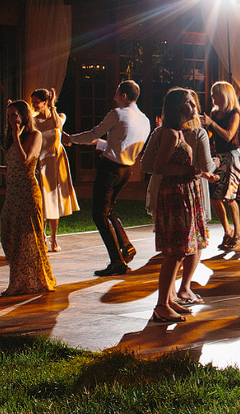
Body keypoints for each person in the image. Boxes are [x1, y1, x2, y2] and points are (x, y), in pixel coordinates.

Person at [63, 80, 151, 277]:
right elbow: (120, 142)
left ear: (124, 96)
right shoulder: (145, 120)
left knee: (99, 214)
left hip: (110, 169)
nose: (114, 97)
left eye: (116, 93)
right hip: (127, 169)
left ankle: (117, 262)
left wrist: (71, 139)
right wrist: (98, 144)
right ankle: (125, 245)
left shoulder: (117, 114)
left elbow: (94, 133)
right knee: (107, 209)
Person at [146, 88, 214, 323]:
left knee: (182, 248)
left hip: (185, 192)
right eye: (188, 102)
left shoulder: (182, 133)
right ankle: (161, 305)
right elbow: (158, 167)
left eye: (193, 102)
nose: (194, 107)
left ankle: (170, 299)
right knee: (174, 251)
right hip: (175, 195)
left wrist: (200, 174)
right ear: (176, 107)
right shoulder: (170, 134)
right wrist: (189, 170)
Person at [0, 100, 55, 297]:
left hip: (27, 193)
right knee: (8, 235)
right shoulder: (14, 138)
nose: (10, 119)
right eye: (8, 115)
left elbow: (25, 160)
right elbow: (13, 167)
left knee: (26, 239)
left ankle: (24, 283)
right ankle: (24, 280)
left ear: (24, 116)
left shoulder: (34, 135)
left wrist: (15, 137)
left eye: (14, 115)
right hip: (13, 193)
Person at [29, 87, 78, 252]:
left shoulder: (59, 117)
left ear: (44, 102)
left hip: (56, 162)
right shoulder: (34, 121)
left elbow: (57, 125)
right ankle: (41, 238)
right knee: (42, 201)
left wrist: (51, 106)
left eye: (37, 102)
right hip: (40, 162)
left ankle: (54, 239)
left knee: (54, 201)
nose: (34, 105)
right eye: (33, 102)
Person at [204, 81, 240, 253]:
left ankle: (238, 234)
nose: (212, 96)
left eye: (215, 93)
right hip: (220, 157)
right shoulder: (215, 113)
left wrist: (212, 124)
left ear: (224, 95)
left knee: (230, 196)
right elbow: (210, 135)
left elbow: (229, 136)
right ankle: (227, 231)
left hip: (233, 156)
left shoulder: (234, 113)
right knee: (216, 197)